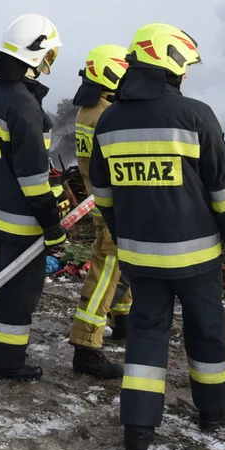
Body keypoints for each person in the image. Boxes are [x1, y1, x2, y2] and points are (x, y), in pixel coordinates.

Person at [88, 23, 225, 450]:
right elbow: (223, 188)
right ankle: (215, 412)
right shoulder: (195, 115)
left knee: (145, 335)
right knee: (207, 330)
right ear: (173, 66)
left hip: (139, 256)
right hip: (196, 256)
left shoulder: (110, 118)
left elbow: (102, 193)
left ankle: (137, 433)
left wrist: (123, 234)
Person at [0, 13, 65, 381]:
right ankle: (5, 363)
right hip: (21, 219)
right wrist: (53, 226)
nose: (49, 62)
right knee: (19, 297)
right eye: (49, 54)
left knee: (7, 289)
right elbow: (32, 180)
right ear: (34, 54)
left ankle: (1, 356)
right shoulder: (24, 107)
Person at [68, 44, 132, 380]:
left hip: (102, 202)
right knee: (105, 274)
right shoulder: (105, 115)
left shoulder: (91, 108)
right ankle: (86, 347)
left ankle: (124, 320)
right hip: (110, 207)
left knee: (123, 265)